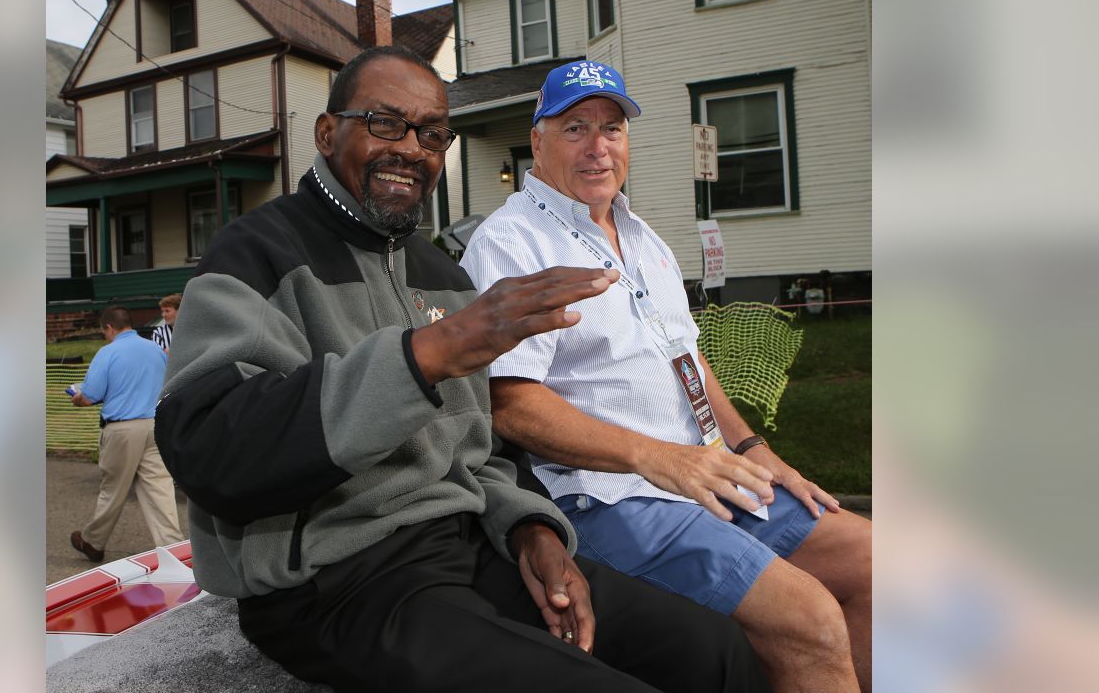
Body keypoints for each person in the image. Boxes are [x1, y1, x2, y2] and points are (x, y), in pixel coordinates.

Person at [155, 46, 771, 693]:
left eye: (430, 133)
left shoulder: (440, 274)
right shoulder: (257, 254)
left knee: (716, 650)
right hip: (335, 580)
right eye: (385, 123)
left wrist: (534, 528)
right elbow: (208, 444)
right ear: (327, 131)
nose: (411, 149)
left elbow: (484, 447)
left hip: (469, 547)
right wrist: (426, 355)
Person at [459, 60, 873, 693]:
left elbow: (690, 359)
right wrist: (660, 460)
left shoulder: (644, 236)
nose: (599, 147)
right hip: (606, 496)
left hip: (706, 475)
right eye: (576, 128)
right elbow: (506, 402)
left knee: (878, 564)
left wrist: (756, 450)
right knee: (809, 616)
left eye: (613, 128)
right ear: (537, 140)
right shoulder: (513, 245)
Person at [69, 306, 183, 562]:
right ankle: (174, 548)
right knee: (159, 488)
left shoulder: (107, 353)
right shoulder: (156, 349)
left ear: (109, 327)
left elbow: (90, 396)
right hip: (155, 424)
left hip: (122, 428)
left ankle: (93, 541)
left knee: (113, 489)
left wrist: (78, 397)